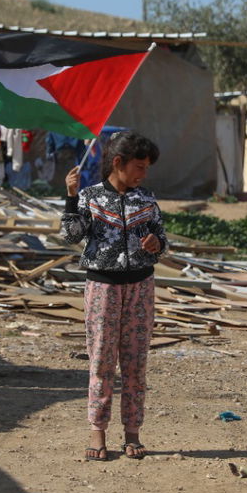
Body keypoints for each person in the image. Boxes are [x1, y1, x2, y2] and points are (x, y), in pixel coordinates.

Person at [60, 131, 167, 462]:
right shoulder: (90, 198)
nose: (143, 174)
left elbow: (162, 239)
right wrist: (70, 197)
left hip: (141, 289)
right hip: (103, 289)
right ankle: (98, 431)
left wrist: (156, 245)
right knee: (102, 361)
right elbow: (70, 235)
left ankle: (133, 433)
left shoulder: (146, 200)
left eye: (147, 167)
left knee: (135, 363)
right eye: (139, 166)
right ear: (117, 163)